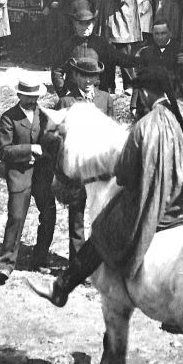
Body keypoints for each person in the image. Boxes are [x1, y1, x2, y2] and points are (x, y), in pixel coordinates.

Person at [29, 65, 183, 308]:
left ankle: (63, 287)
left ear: (146, 94)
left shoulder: (148, 124)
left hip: (167, 201)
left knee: (104, 228)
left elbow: (125, 173)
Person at [0, 77, 56, 284]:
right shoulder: (8, 118)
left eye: (35, 97)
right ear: (19, 95)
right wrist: (29, 150)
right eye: (28, 97)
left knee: (48, 215)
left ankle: (39, 258)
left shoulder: (44, 115)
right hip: (19, 176)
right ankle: (6, 265)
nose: (32, 100)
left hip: (42, 175)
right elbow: (3, 151)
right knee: (17, 218)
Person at [55, 51, 115, 266]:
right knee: (77, 215)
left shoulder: (105, 99)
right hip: (79, 168)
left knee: (102, 213)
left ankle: (101, 258)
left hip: (100, 167)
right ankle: (78, 263)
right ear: (76, 77)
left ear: (98, 78)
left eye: (92, 77)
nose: (88, 81)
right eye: (83, 76)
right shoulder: (66, 101)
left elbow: (111, 131)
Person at [88, 0, 141, 94]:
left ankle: (130, 85)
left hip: (120, 22)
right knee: (105, 53)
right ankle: (108, 85)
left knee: (123, 54)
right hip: (105, 22)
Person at [128, 20, 183, 119]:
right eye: (156, 34)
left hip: (176, 100)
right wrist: (134, 106)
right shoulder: (146, 52)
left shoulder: (180, 48)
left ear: (170, 33)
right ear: (152, 34)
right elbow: (139, 80)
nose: (160, 37)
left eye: (163, 33)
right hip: (153, 100)